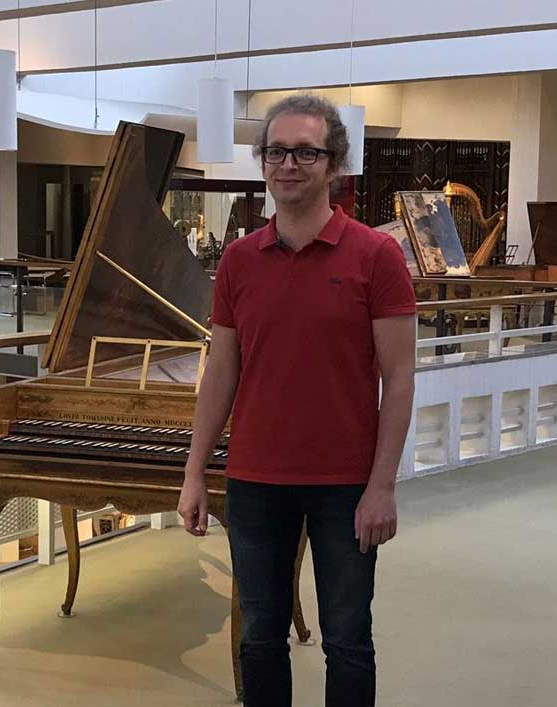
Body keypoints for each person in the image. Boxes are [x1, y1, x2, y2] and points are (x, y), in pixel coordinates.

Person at [177, 94, 417, 707]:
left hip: (346, 483)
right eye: (277, 151)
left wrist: (382, 485)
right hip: (256, 479)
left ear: (334, 163)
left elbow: (400, 375)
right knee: (260, 636)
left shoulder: (377, 257)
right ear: (262, 162)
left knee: (347, 640)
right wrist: (195, 470)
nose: (289, 163)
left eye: (306, 152)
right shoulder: (236, 261)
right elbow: (221, 372)